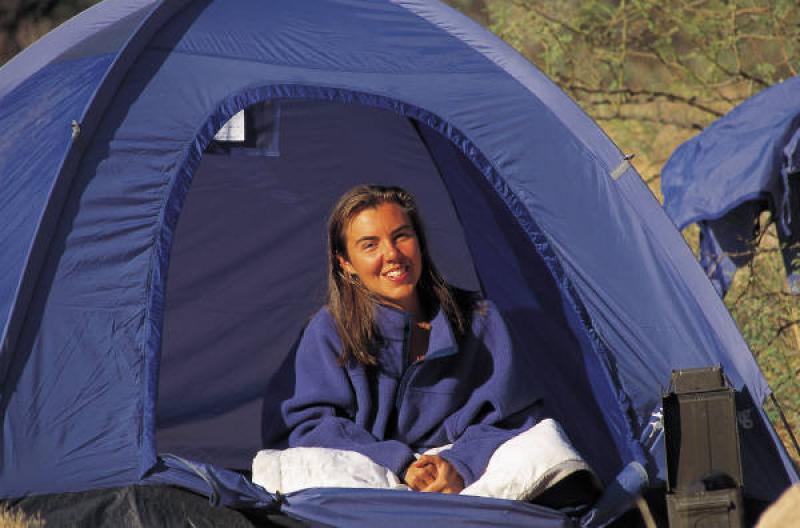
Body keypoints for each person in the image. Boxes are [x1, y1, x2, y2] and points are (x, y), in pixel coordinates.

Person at [280, 184, 546, 494]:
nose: (392, 254)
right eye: (370, 245)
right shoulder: (329, 330)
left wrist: (459, 466)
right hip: (370, 474)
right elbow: (312, 426)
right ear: (346, 263)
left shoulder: (479, 318)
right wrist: (400, 463)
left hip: (466, 472)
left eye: (401, 236)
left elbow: (515, 414)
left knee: (549, 447)